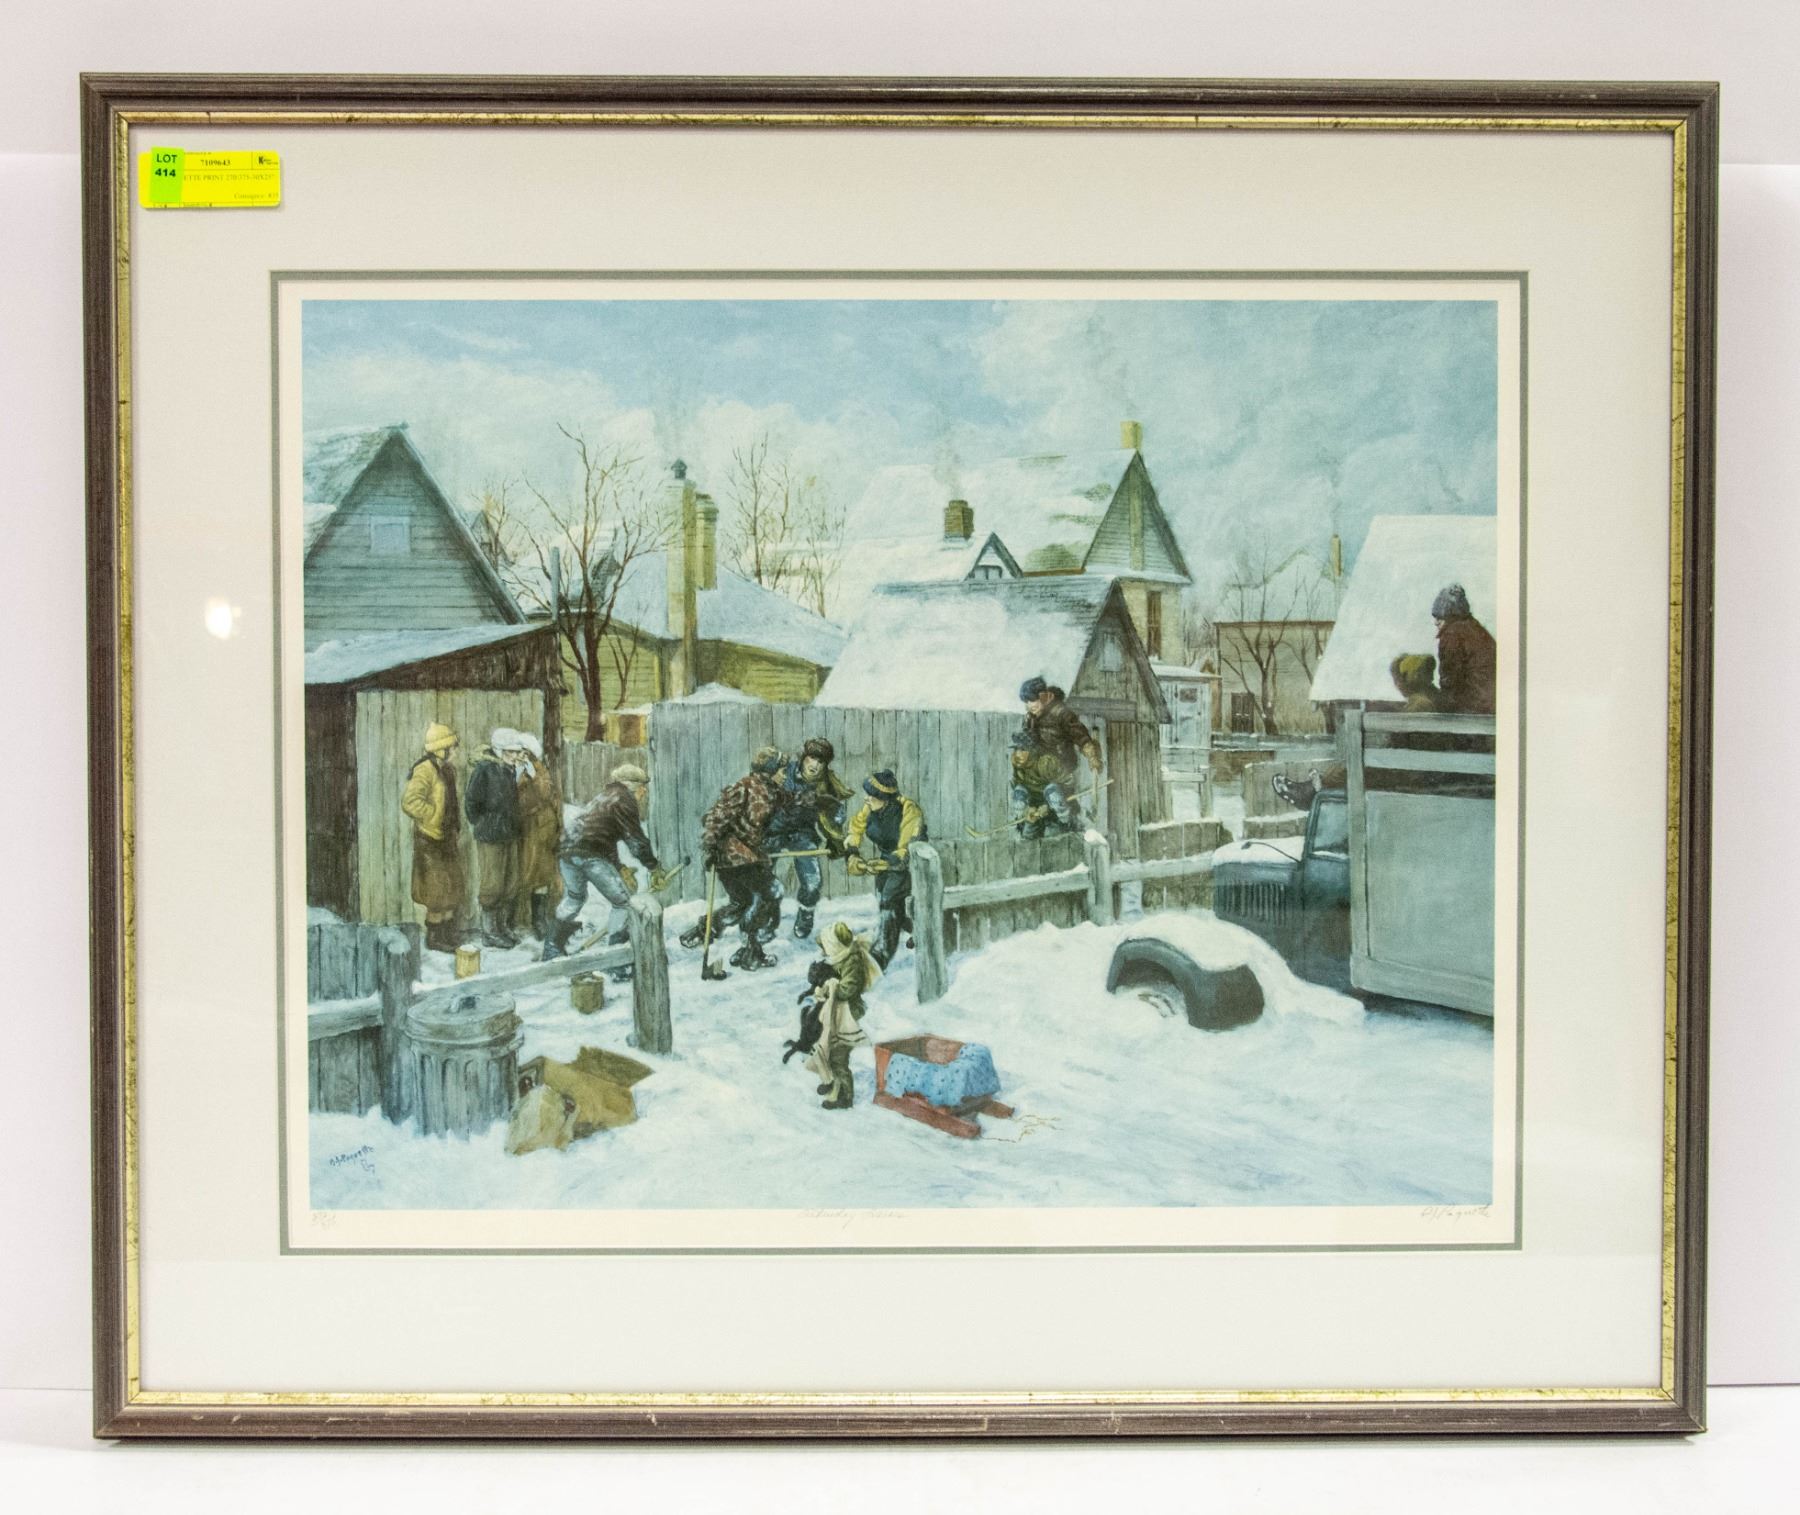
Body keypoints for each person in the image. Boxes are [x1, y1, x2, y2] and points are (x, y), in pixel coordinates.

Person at [542, 763, 666, 972]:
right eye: (642, 786)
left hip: (567, 852)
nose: (644, 792)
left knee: (574, 898)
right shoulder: (624, 799)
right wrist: (654, 867)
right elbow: (635, 840)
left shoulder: (605, 797)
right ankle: (616, 961)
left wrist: (619, 867)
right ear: (632, 785)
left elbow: (602, 836)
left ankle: (552, 947)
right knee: (624, 903)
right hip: (590, 855)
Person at [683, 750, 784, 971]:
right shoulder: (744, 787)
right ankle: (751, 952)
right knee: (771, 891)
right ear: (770, 770)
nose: (785, 774)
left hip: (749, 855)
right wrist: (710, 846)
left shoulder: (772, 791)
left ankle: (704, 931)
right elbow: (717, 816)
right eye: (781, 769)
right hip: (734, 855)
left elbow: (789, 805)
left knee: (742, 903)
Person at [768, 736, 853, 940]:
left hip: (802, 833)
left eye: (821, 761)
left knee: (813, 882)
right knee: (761, 876)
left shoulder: (827, 784)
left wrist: (830, 815)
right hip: (773, 830)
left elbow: (838, 813)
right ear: (803, 758)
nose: (815, 765)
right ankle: (765, 914)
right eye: (811, 758)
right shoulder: (784, 772)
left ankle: (806, 913)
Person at [843, 768, 927, 968]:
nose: (867, 799)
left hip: (910, 864)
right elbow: (855, 828)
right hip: (886, 860)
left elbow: (907, 845)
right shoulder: (870, 809)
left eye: (872, 796)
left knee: (889, 900)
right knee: (889, 902)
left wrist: (889, 864)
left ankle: (881, 955)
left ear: (885, 799)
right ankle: (921, 932)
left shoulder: (909, 810)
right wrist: (853, 854)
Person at [400, 722, 465, 955]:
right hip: (430, 839)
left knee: (451, 887)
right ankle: (435, 936)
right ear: (440, 749)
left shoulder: (447, 770)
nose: (455, 751)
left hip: (447, 837)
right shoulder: (424, 769)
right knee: (436, 890)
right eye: (451, 747)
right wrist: (433, 815)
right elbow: (410, 801)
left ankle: (447, 932)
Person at [803, 920, 882, 1110]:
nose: (824, 952)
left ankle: (845, 1095)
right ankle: (834, 1088)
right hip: (837, 1013)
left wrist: (832, 986)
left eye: (827, 947)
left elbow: (848, 988)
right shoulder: (840, 958)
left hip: (847, 1015)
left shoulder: (852, 962)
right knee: (830, 1052)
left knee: (838, 1056)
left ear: (835, 946)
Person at [464, 728, 524, 949]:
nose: (516, 755)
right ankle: (490, 932)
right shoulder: (484, 770)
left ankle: (501, 926)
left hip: (509, 833)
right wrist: (484, 823)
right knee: (493, 884)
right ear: (499, 750)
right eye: (511, 751)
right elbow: (471, 802)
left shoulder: (508, 770)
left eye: (517, 752)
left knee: (510, 882)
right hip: (491, 835)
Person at [1019, 675, 1102, 830]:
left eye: (1032, 700)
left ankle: (1070, 826)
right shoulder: (1030, 718)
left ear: (1043, 697)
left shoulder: (1062, 713)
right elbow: (1027, 742)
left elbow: (1081, 736)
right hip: (1040, 771)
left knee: (1060, 805)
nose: (1029, 706)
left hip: (1062, 769)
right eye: (1026, 702)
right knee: (1038, 810)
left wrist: (1092, 756)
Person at [511, 731, 562, 944]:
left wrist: (532, 774)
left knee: (542, 875)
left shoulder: (539, 770)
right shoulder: (512, 770)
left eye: (525, 753)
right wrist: (518, 775)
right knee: (521, 874)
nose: (521, 756)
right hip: (525, 830)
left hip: (543, 830)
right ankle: (515, 920)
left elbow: (546, 793)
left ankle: (539, 921)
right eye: (519, 752)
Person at [1431, 584, 1497, 715]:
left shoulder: (1452, 635)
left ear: (1450, 616)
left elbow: (1450, 679)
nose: (1435, 622)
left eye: (1439, 617)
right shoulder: (1476, 628)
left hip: (1471, 707)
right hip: (1491, 703)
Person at [1008, 729, 1079, 839]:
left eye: (1023, 749)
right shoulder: (1019, 767)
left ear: (1032, 750)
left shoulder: (1046, 763)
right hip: (1034, 806)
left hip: (1054, 805)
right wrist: (1027, 810)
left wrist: (1049, 806)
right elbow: (1017, 787)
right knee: (1018, 792)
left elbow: (1068, 782)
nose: (1018, 754)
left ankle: (1066, 823)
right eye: (1016, 749)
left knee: (1052, 790)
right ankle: (1024, 824)